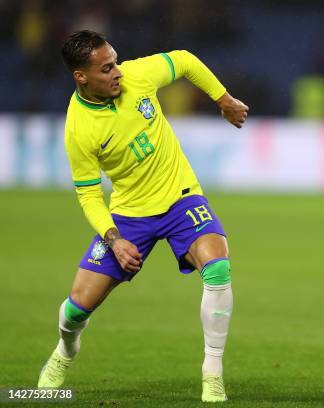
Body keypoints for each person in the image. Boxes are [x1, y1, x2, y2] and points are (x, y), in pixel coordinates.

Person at [37, 30, 249, 403]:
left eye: (115, 61)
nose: (117, 72)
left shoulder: (136, 75)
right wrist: (114, 240)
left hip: (181, 200)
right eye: (106, 68)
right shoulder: (79, 128)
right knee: (76, 308)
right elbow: (88, 195)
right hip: (129, 217)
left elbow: (184, 59)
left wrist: (224, 98)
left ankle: (212, 374)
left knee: (218, 269)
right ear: (81, 77)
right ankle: (65, 351)